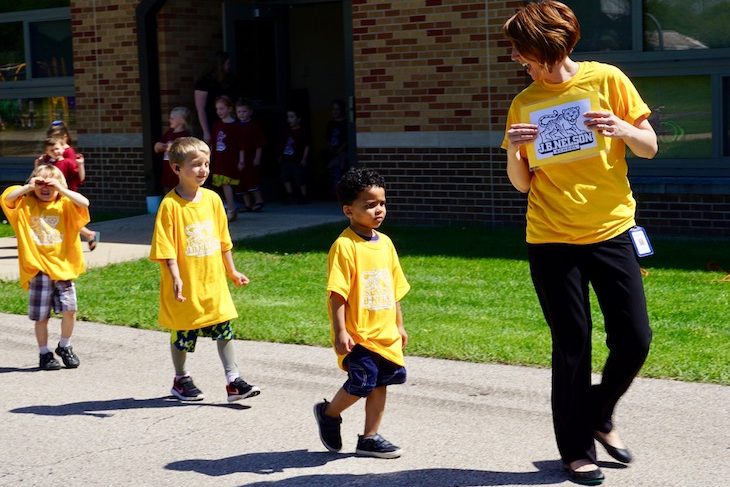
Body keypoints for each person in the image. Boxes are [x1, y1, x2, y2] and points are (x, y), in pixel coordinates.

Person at [501, 2, 657, 484]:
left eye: (522, 51)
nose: (516, 60)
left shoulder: (607, 80)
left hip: (612, 230)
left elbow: (649, 145)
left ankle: (597, 411)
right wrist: (513, 148)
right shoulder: (525, 102)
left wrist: (622, 128)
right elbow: (523, 184)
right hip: (550, 237)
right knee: (572, 345)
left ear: (551, 47)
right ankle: (576, 450)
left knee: (634, 338)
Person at [149, 136, 260, 403]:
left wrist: (231, 271)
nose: (203, 170)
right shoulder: (170, 205)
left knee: (225, 328)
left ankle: (233, 380)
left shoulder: (212, 199)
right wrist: (175, 277)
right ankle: (181, 378)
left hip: (213, 283)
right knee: (183, 333)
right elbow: (166, 247)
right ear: (176, 168)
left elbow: (223, 240)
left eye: (206, 164)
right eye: (196, 165)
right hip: (187, 285)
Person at [313, 168, 410, 459]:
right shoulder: (344, 246)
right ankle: (329, 413)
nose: (378, 210)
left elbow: (394, 290)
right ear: (349, 210)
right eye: (369, 205)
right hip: (358, 335)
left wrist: (399, 325)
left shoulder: (386, 244)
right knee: (362, 383)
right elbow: (337, 294)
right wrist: (341, 331)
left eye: (381, 202)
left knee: (383, 382)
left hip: (385, 333)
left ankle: (369, 437)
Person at [0, 164, 90, 370]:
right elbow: (7, 199)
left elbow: (84, 202)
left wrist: (60, 188)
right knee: (42, 317)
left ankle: (65, 345)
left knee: (70, 310)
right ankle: (44, 353)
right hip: (38, 270)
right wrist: (28, 187)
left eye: (50, 183)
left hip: (63, 269)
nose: (45, 187)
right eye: (41, 183)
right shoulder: (24, 205)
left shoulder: (66, 204)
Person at [45, 121, 98, 250]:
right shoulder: (48, 158)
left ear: (64, 138)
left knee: (68, 218)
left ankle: (87, 235)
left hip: (67, 193)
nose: (55, 150)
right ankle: (88, 235)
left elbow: (78, 176)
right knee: (65, 218)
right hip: (53, 194)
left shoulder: (68, 155)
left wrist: (80, 165)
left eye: (58, 138)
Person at [210, 96, 244, 221]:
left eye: (222, 108)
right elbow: (213, 144)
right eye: (217, 109)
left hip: (231, 159)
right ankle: (230, 207)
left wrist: (241, 160)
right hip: (219, 159)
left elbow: (241, 145)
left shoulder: (236, 126)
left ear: (230, 109)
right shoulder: (216, 125)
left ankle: (231, 208)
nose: (219, 111)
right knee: (221, 184)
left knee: (227, 183)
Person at [194, 51, 238, 145]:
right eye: (227, 64)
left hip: (229, 120)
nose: (229, 66)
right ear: (220, 65)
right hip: (212, 121)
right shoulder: (205, 82)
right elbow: (200, 108)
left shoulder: (230, 79)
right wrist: (206, 131)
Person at [235, 98, 266, 212]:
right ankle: (248, 204)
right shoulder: (236, 126)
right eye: (239, 112)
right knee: (241, 181)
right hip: (239, 159)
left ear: (250, 112)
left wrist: (257, 157)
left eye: (244, 111)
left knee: (252, 180)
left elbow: (259, 144)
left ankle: (259, 201)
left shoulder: (254, 126)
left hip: (251, 157)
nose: (242, 114)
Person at [154, 107, 192, 194]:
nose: (169, 120)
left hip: (179, 169)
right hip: (167, 167)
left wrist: (173, 147)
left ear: (182, 121)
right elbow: (157, 147)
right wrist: (159, 145)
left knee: (179, 189)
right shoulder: (169, 133)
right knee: (167, 188)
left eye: (172, 118)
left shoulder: (185, 135)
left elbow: (187, 152)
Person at [279, 108, 310, 204]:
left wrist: (304, 159)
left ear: (298, 119)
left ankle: (304, 195)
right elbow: (282, 144)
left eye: (292, 117)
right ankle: (290, 194)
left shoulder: (302, 131)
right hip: (286, 158)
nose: (290, 119)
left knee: (299, 178)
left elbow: (306, 146)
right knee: (285, 177)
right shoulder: (286, 131)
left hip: (297, 159)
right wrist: (280, 155)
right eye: (288, 117)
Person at [325, 99, 349, 194]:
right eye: (333, 109)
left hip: (342, 152)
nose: (335, 112)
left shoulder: (345, 123)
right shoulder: (331, 123)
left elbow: (347, 139)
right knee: (331, 170)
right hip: (332, 152)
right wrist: (330, 147)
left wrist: (340, 149)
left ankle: (339, 192)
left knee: (339, 170)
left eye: (337, 109)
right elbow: (327, 137)